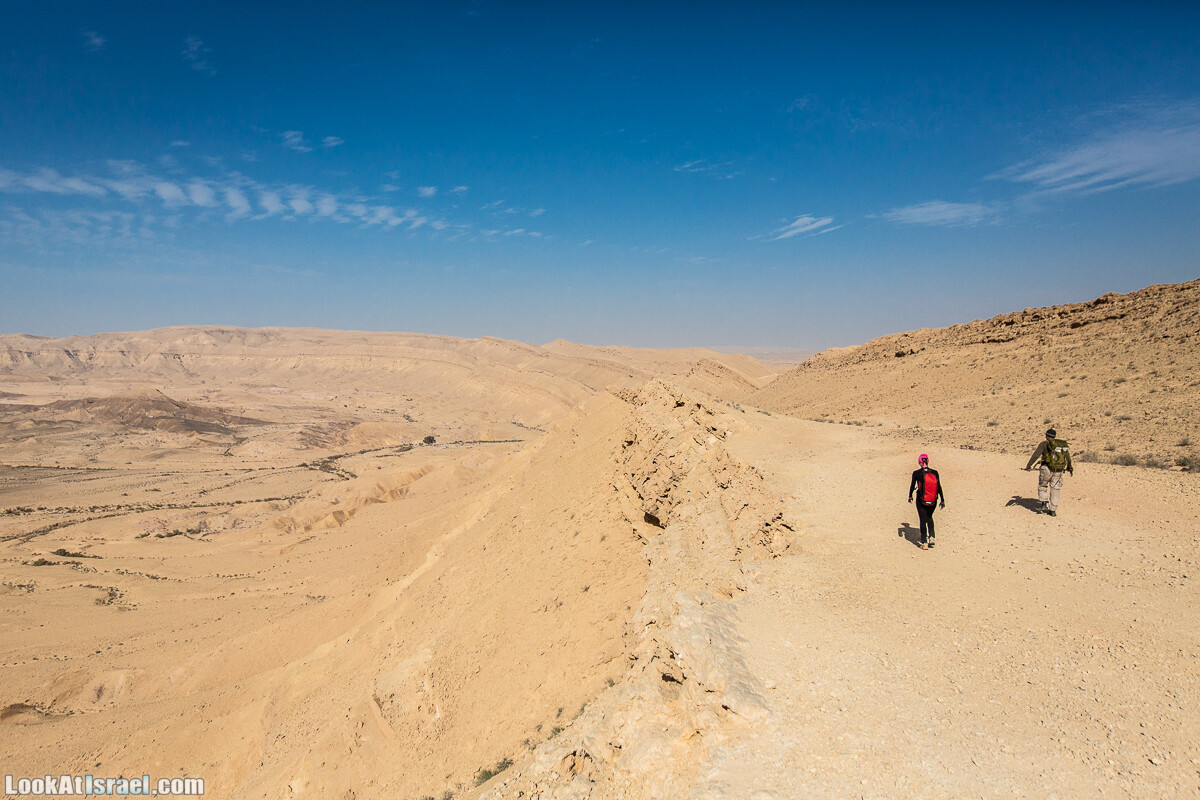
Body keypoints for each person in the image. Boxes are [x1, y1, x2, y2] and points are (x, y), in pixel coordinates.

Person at [1024, 428, 1073, 516]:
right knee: (1055, 489)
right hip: (1058, 470)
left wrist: (1028, 466)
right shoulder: (1061, 446)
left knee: (1043, 485)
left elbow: (1036, 455)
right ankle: (1053, 511)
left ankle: (1044, 503)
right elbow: (1068, 457)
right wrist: (1070, 467)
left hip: (1046, 468)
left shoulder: (1044, 444)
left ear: (1046, 436)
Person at [908, 454, 945, 550]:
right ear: (927, 461)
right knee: (929, 517)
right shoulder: (935, 472)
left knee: (922, 520)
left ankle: (924, 542)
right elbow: (939, 487)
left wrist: (910, 496)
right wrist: (942, 500)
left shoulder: (916, 473)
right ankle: (932, 537)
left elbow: (912, 486)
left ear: (920, 462)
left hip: (921, 500)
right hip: (933, 500)